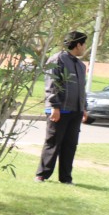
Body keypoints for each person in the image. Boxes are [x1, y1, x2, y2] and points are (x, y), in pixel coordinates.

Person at [35, 31, 88, 184]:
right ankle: (42, 175)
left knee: (70, 145)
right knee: (53, 142)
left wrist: (83, 107)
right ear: (78, 44)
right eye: (84, 44)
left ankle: (65, 178)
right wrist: (54, 106)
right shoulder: (58, 59)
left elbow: (81, 89)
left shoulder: (80, 65)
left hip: (75, 111)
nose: (85, 47)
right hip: (59, 110)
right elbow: (51, 84)